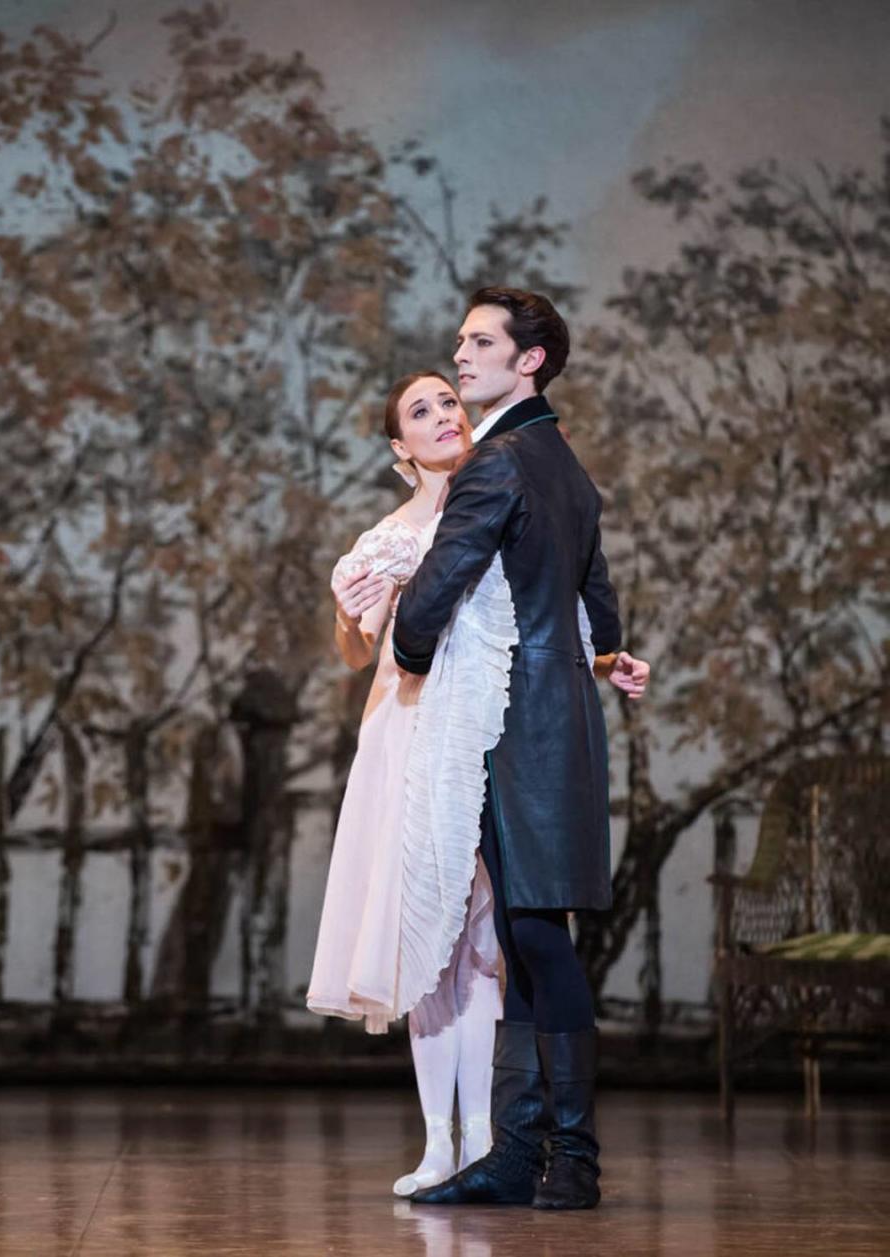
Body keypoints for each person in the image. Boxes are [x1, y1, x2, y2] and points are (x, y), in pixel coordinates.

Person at [308, 367, 648, 1199]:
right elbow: (358, 654)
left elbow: (541, 618)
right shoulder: (389, 536)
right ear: (400, 446)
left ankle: (498, 1139)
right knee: (432, 947)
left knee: (493, 950)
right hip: (413, 738)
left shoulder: (502, 497)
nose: (443, 415)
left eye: (448, 401)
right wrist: (355, 616)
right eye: (421, 411)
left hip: (490, 745)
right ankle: (442, 1139)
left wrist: (606, 658)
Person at [393, 287, 628, 1211]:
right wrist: (608, 654)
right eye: (460, 341)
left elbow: (432, 597)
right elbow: (598, 608)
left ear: (529, 360)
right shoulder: (565, 466)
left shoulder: (499, 464)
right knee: (531, 937)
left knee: (535, 935)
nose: (461, 355)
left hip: (513, 723)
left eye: (481, 342)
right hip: (555, 714)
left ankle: (571, 1157)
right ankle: (523, 1152)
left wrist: (408, 647)